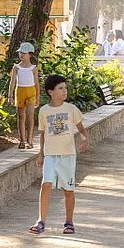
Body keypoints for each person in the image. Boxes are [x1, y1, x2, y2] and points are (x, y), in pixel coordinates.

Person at [31, 74, 88, 235]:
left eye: (65, 88)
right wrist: (41, 154)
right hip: (50, 155)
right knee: (46, 184)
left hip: (68, 155)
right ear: (51, 92)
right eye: (60, 88)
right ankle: (41, 221)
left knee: (68, 190)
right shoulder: (44, 111)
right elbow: (43, 134)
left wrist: (85, 140)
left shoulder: (71, 109)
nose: (64, 91)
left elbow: (81, 128)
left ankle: (69, 222)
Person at [8, 42, 41, 150]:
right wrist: (10, 96)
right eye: (20, 52)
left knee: (30, 116)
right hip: (20, 92)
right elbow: (12, 82)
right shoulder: (16, 67)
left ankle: (29, 140)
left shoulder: (33, 68)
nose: (21, 55)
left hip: (31, 92)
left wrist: (38, 97)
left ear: (30, 54)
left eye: (24, 53)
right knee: (21, 117)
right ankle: (22, 140)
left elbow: (36, 83)